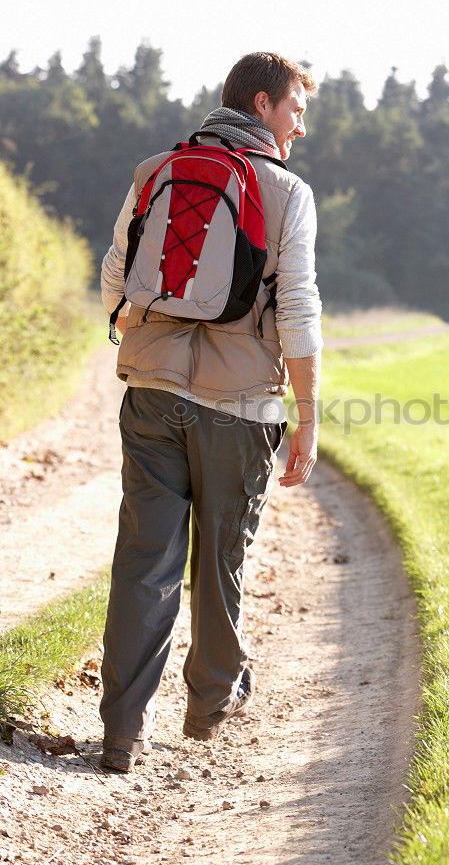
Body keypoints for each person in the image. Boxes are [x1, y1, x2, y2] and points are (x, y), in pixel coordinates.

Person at [99, 53, 322, 772]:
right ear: (262, 104)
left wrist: (133, 333)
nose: (300, 125)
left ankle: (121, 731)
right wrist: (309, 416)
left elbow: (114, 272)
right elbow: (298, 310)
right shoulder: (287, 192)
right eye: (295, 109)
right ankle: (211, 699)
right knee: (221, 555)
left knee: (144, 557)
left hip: (153, 391)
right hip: (239, 407)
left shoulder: (156, 169)